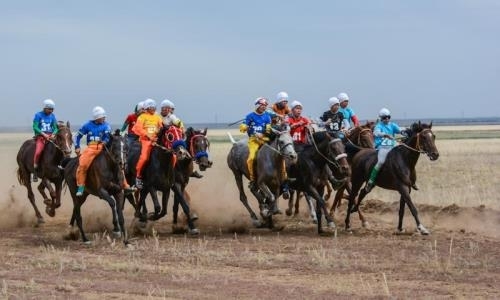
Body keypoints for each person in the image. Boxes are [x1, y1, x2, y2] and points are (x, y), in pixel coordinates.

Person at [74, 106, 136, 196]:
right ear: (97, 117)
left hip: (103, 148)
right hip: (91, 148)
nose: (104, 118)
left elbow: (107, 137)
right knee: (83, 164)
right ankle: (81, 186)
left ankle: (125, 185)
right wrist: (77, 146)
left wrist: (105, 141)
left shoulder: (106, 125)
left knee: (118, 163)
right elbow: (77, 136)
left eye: (104, 117)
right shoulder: (87, 125)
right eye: (102, 117)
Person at [363, 108, 405, 193]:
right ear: (381, 118)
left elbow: (400, 131)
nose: (387, 119)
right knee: (381, 162)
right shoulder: (378, 126)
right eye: (385, 118)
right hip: (382, 146)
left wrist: (405, 132)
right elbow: (376, 133)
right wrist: (385, 134)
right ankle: (370, 182)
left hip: (392, 145)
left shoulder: (392, 125)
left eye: (388, 117)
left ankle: (408, 179)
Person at [160, 98, 203, 179]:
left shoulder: (172, 117)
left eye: (171, 109)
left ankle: (190, 170)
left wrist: (182, 128)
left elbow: (179, 123)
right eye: (169, 108)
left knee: (185, 151)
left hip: (173, 139)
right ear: (163, 108)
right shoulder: (158, 117)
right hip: (162, 138)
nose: (171, 111)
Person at [239, 97, 272, 192]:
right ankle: (253, 180)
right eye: (262, 105)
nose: (264, 107)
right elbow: (242, 127)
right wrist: (246, 127)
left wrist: (264, 133)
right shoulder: (250, 116)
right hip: (253, 141)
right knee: (251, 158)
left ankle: (284, 177)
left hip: (265, 140)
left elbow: (268, 130)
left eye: (265, 106)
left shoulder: (267, 117)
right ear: (257, 105)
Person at [132, 99, 164, 189]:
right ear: (146, 108)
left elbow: (161, 126)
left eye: (154, 107)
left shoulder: (157, 117)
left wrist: (160, 131)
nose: (153, 109)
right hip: (145, 141)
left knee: (172, 155)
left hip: (156, 140)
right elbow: (138, 129)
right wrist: (148, 135)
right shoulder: (142, 117)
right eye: (151, 107)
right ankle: (138, 177)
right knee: (144, 158)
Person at [32, 99, 59, 182]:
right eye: (49, 109)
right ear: (45, 108)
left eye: (52, 109)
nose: (51, 111)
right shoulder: (38, 115)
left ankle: (61, 167)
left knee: (60, 148)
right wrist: (43, 134)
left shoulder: (52, 116)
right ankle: (35, 170)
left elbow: (55, 128)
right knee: (38, 152)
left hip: (51, 136)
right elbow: (35, 127)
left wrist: (54, 134)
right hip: (41, 137)